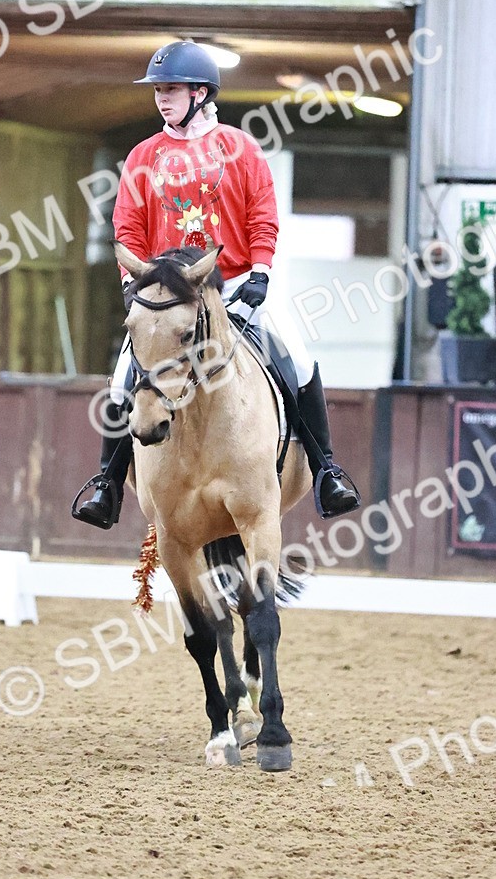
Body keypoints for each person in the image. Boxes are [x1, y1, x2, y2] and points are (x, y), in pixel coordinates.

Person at [73, 40, 361, 529]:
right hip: (169, 297)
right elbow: (128, 228)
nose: (161, 99)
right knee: (125, 373)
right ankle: (106, 481)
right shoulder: (145, 156)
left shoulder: (240, 148)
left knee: (300, 358)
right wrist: (133, 282)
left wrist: (262, 275)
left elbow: (262, 216)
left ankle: (326, 470)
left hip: (236, 286)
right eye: (158, 90)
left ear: (201, 93)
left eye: (171, 89)